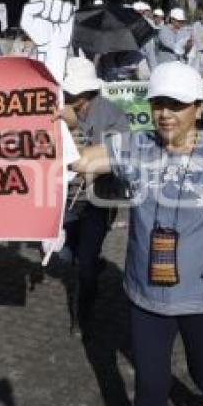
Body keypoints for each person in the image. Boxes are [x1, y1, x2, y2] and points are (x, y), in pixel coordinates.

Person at [70, 61, 203, 406]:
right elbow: (83, 159)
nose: (165, 114)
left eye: (176, 105)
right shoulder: (136, 144)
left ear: (199, 108)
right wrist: (54, 126)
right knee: (150, 385)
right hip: (146, 297)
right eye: (158, 103)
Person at [60, 57, 129, 333]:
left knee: (86, 262)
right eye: (68, 94)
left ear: (90, 92)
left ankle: (83, 312)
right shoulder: (57, 113)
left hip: (97, 198)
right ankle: (88, 265)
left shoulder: (114, 114)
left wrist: (96, 167)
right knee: (71, 253)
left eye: (75, 95)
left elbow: (122, 156)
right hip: (65, 198)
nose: (71, 99)